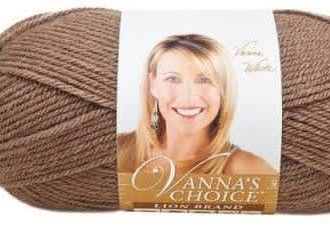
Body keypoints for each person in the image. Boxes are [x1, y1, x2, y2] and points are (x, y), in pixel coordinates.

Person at [117, 34, 276, 176]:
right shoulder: (119, 149)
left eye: (204, 80)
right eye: (172, 79)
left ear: (223, 89)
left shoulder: (249, 169)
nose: (188, 95)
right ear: (153, 84)